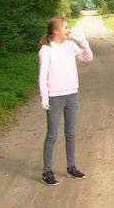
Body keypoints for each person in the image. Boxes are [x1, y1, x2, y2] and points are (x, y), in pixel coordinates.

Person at [38, 17, 93, 187]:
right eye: (66, 28)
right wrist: (44, 96)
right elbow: (42, 74)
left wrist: (83, 41)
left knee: (70, 133)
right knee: (52, 134)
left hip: (71, 95)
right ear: (55, 31)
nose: (68, 30)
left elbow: (88, 57)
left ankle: (71, 167)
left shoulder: (70, 46)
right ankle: (47, 172)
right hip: (54, 96)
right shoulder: (46, 50)